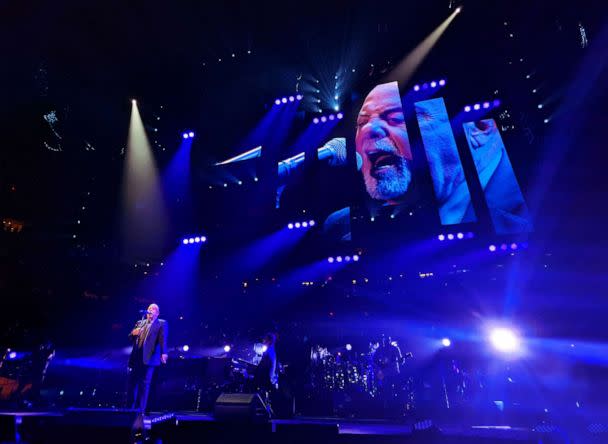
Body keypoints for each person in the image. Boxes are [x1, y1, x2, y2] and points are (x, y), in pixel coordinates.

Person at [126, 303, 168, 413]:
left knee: (144, 385)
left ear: (157, 313)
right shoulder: (140, 323)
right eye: (149, 309)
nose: (150, 311)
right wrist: (133, 333)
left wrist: (164, 353)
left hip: (149, 358)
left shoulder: (161, 323)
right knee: (132, 384)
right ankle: (130, 410)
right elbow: (130, 338)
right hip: (136, 359)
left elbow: (163, 339)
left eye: (153, 309)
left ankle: (142, 411)